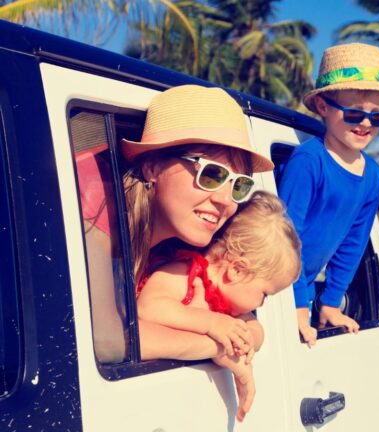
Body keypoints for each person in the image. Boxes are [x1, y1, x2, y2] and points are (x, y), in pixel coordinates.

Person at [78, 84, 274, 419]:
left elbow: (250, 322)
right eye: (212, 174)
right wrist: (215, 343)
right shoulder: (92, 197)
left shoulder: (193, 233)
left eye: (239, 184)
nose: (227, 200)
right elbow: (108, 342)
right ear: (151, 168)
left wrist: (236, 334)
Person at [278, 43, 379, 345]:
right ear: (323, 106)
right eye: (354, 113)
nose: (365, 124)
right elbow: (283, 236)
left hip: (305, 292)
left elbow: (354, 242)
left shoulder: (373, 175)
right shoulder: (309, 161)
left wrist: (331, 303)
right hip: (275, 290)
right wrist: (294, 305)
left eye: (377, 117)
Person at [136, 191, 300, 422]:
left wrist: (242, 344)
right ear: (237, 270)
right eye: (265, 294)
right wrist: (211, 323)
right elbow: (149, 307)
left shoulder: (229, 306)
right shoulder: (185, 273)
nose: (261, 303)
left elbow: (257, 332)